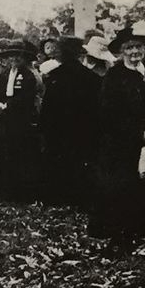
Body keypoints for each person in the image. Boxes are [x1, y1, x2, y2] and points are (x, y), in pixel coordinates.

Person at [93, 25, 145, 250]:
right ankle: (117, 233)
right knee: (120, 185)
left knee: (140, 180)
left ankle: (137, 228)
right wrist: (136, 131)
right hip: (118, 140)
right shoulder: (115, 75)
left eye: (138, 47)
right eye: (129, 48)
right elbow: (108, 111)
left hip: (144, 138)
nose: (134, 52)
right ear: (122, 51)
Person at [39, 36, 101, 205]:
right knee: (79, 160)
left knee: (60, 161)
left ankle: (59, 196)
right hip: (82, 128)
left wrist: (44, 127)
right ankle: (79, 195)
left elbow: (48, 107)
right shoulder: (92, 78)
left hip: (58, 129)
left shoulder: (55, 76)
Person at [0, 40, 40, 200]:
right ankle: (1, 188)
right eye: (11, 56)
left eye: (18, 56)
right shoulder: (4, 74)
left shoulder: (28, 76)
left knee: (18, 152)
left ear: (24, 58)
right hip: (3, 120)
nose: (14, 60)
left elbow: (26, 98)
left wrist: (8, 106)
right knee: (1, 150)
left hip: (19, 119)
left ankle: (18, 191)